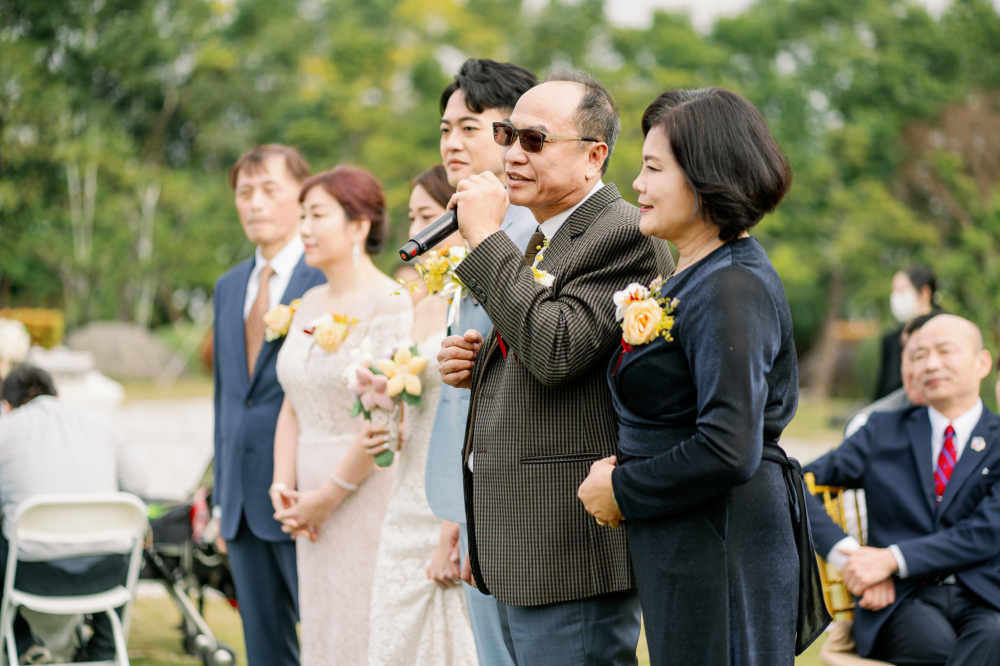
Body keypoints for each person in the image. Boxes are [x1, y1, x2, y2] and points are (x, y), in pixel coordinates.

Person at [578, 87, 831, 666]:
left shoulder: (731, 286)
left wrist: (622, 491)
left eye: (652, 168)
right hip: (689, 538)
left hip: (723, 540)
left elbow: (728, 447)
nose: (636, 184)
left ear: (704, 177)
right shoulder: (697, 273)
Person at [438, 71, 667, 666]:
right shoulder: (544, 237)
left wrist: (485, 236)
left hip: (566, 542)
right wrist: (480, 363)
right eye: (507, 135)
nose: (513, 153)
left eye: (534, 141)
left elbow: (557, 350)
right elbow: (539, 345)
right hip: (514, 532)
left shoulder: (621, 234)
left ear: (595, 156)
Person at [269, 166, 412, 665]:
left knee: (362, 621)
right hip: (306, 496)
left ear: (359, 225)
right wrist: (282, 484)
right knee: (323, 625)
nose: (303, 228)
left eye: (316, 215)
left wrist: (328, 496)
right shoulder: (308, 301)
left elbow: (385, 417)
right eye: (301, 215)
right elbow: (292, 399)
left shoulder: (391, 301)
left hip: (361, 488)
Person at [424, 57, 539, 666]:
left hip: (525, 492)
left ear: (513, 133)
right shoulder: (463, 228)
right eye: (445, 129)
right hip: (473, 487)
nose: (451, 143)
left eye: (468, 127)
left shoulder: (535, 233)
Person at [805, 314, 1000, 665]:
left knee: (993, 637)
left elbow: (987, 531)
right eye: (918, 354)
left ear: (981, 362)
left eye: (944, 351)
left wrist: (890, 558)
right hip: (899, 599)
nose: (930, 364)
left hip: (984, 597)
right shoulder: (882, 430)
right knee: (936, 650)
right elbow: (795, 484)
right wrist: (854, 560)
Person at [212, 144, 324, 666]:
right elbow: (228, 399)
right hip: (238, 501)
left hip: (305, 495)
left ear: (302, 197)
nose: (254, 203)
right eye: (244, 192)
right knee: (263, 649)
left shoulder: (323, 278)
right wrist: (218, 496)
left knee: (327, 638)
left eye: (269, 190)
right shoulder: (228, 286)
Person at [366, 164, 477, 666]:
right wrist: (382, 412)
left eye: (428, 215)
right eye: (411, 216)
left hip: (445, 500)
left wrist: (451, 525)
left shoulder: (469, 300)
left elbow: (468, 416)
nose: (417, 230)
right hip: (404, 494)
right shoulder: (416, 301)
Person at [0, 364, 149, 664]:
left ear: (7, 405)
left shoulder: (6, 429)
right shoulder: (103, 424)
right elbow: (139, 489)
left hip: (32, 575)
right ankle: (104, 647)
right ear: (58, 394)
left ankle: (21, 640)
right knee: (132, 532)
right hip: (107, 574)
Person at [845, 312, 940, 438]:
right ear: (902, 358)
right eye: (915, 357)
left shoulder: (969, 425)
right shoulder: (868, 427)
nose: (924, 368)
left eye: (944, 353)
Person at [874, 266, 938, 400]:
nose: (896, 298)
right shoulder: (891, 339)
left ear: (924, 293)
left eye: (902, 291)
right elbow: (882, 389)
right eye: (894, 292)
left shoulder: (947, 329)